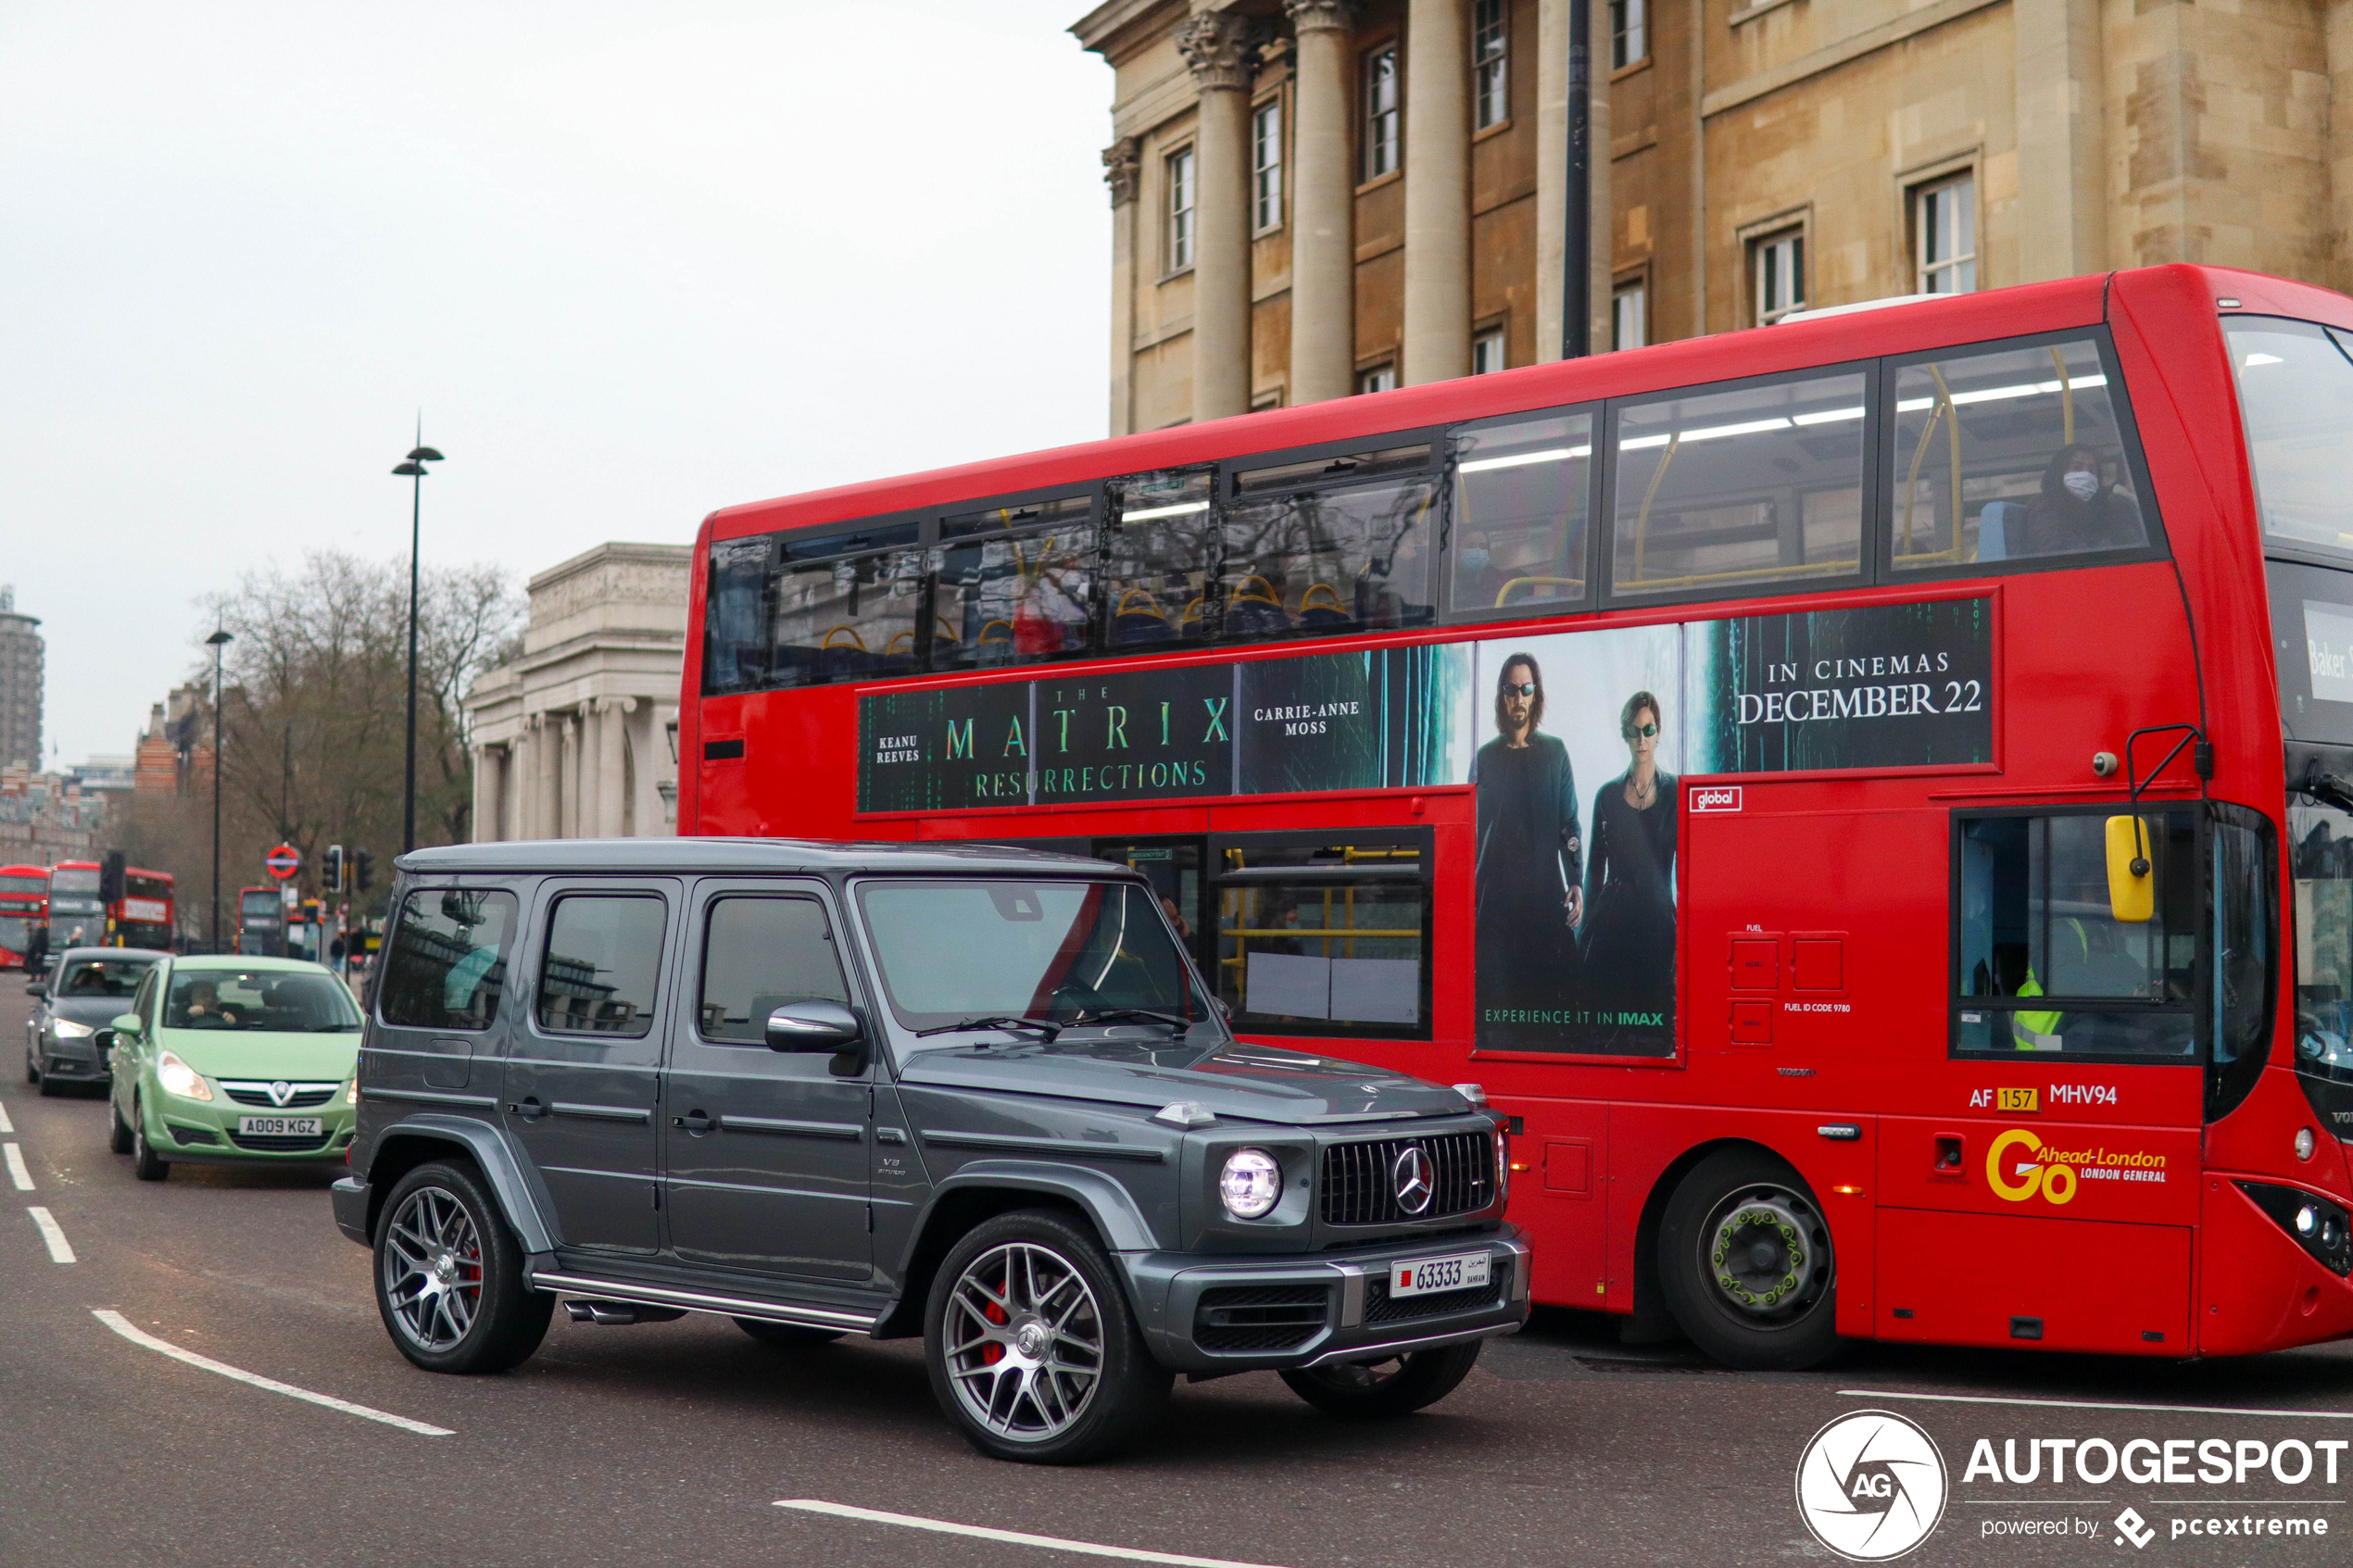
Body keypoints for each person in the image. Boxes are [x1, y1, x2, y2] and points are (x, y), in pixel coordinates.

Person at [1472, 654, 1582, 1023]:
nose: (1519, 698)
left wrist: (1578, 880)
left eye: (1526, 689)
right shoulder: (1485, 757)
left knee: (1551, 1008)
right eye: (1511, 689)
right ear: (1502, 696)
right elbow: (1470, 834)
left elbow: (1569, 825)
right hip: (1497, 910)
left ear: (1536, 695)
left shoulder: (1555, 753)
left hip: (1544, 899)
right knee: (1497, 1012)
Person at [1582, 691, 1678, 1034]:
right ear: (1625, 734)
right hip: (1612, 926)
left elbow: (1689, 874)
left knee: (1655, 1025)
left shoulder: (1675, 793)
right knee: (1610, 1023)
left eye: (1649, 730)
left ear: (1658, 732)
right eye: (1635, 731)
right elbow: (1594, 872)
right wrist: (1583, 935)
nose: (1642, 739)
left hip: (1656, 926)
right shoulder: (1607, 795)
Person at [2017, 445, 2143, 558]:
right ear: (2059, 473)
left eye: (2092, 471)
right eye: (2077, 468)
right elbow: (2058, 552)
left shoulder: (2105, 506)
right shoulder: (2044, 507)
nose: (2086, 475)